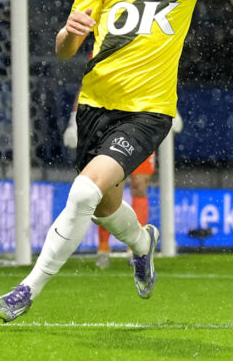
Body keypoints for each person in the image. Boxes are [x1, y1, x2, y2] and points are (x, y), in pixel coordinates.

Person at [0, 0, 233, 322]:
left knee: (83, 192)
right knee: (103, 207)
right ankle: (142, 244)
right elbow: (67, 47)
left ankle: (27, 289)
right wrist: (68, 35)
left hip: (147, 112)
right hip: (94, 107)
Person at [63, 94, 183, 268]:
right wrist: (73, 121)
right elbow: (88, 84)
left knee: (140, 185)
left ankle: (136, 249)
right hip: (112, 125)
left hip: (143, 126)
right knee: (106, 189)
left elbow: (161, 78)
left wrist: (172, 108)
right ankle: (103, 248)